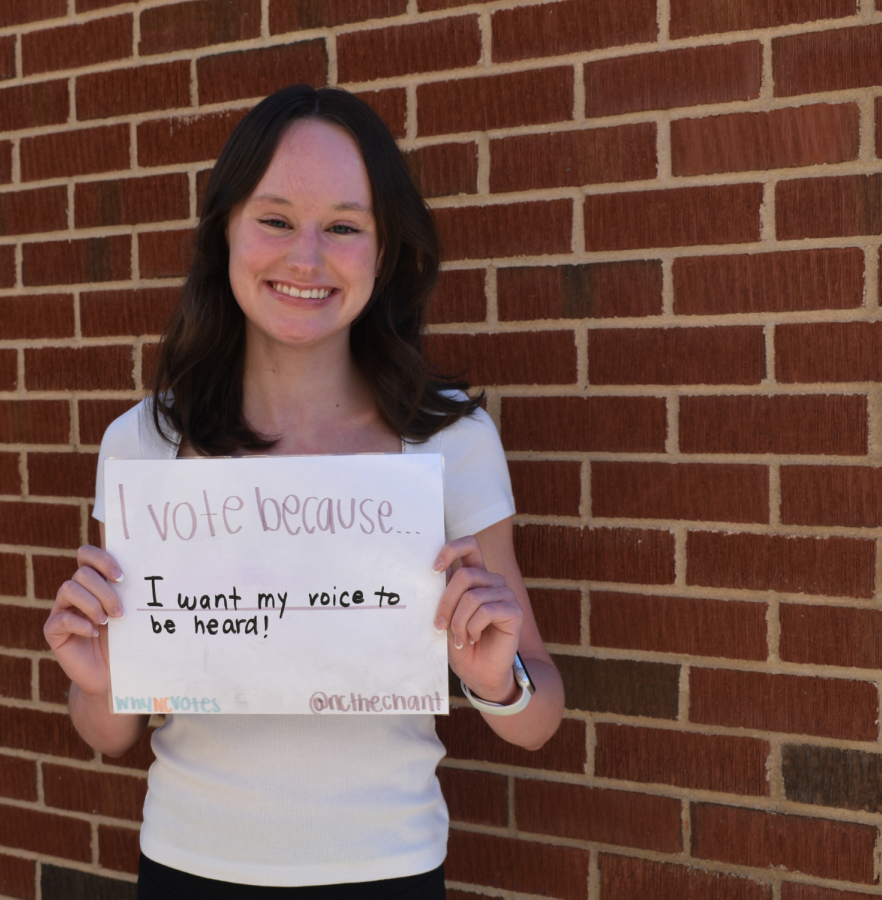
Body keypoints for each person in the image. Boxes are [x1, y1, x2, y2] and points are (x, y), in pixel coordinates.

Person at [43, 84, 565, 898]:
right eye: (276, 219)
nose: (306, 258)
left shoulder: (450, 440)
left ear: (385, 251)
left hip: (387, 869)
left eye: (345, 227)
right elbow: (110, 735)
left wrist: (496, 677)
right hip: (191, 864)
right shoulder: (142, 444)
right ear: (225, 232)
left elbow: (538, 719)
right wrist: (99, 680)